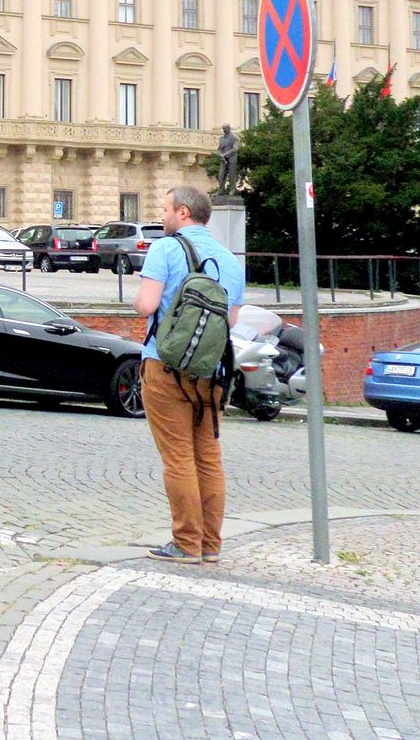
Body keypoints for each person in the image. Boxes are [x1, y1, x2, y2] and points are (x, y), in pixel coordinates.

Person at [132, 184, 245, 564]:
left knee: (178, 457)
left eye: (165, 208)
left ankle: (185, 542)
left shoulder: (166, 248)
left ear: (182, 212)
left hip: (165, 367)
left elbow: (146, 304)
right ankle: (210, 544)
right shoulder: (230, 260)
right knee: (208, 457)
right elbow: (230, 321)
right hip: (211, 372)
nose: (162, 215)